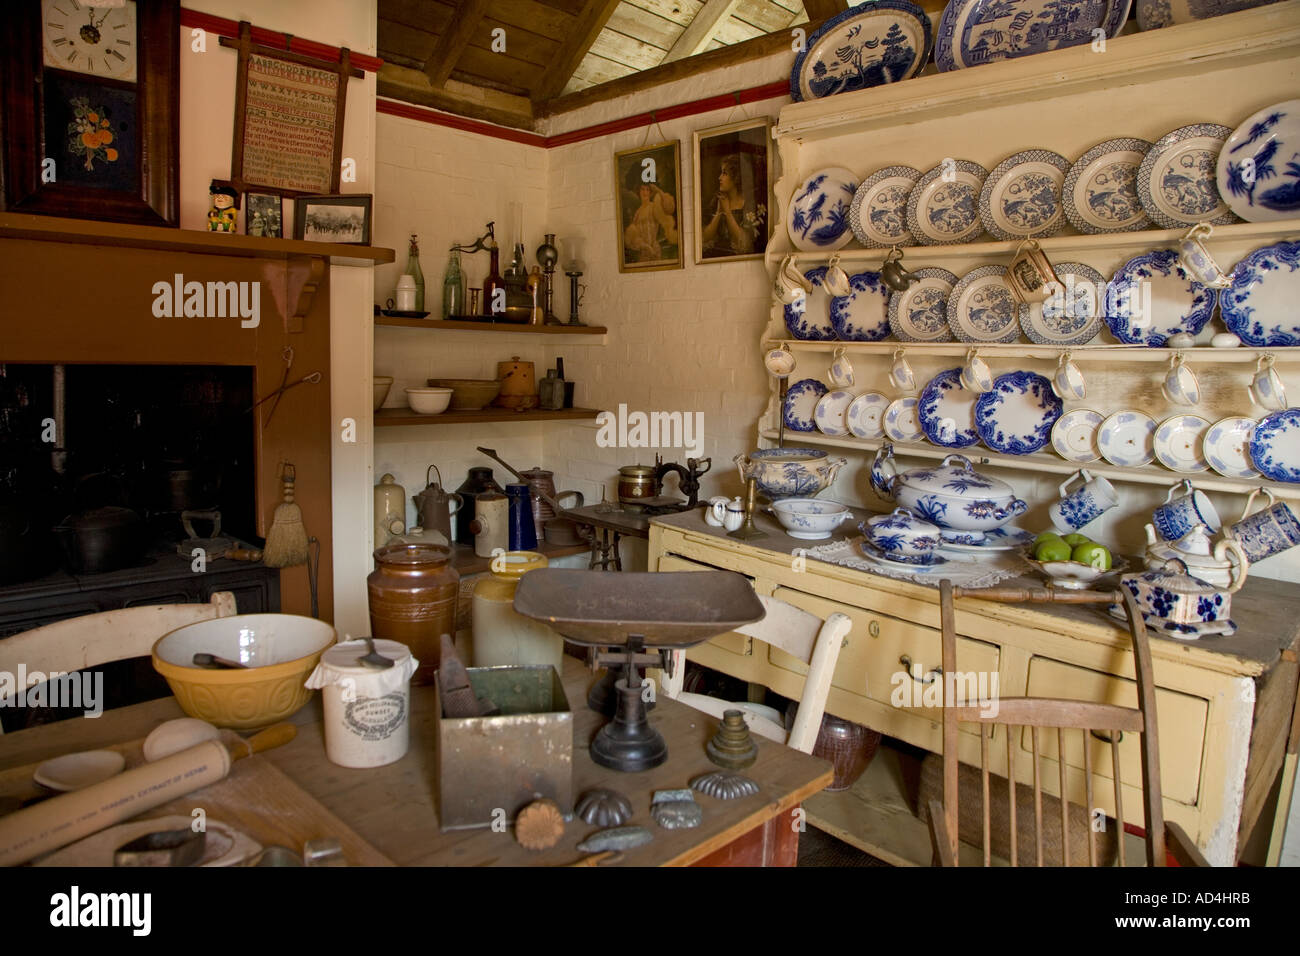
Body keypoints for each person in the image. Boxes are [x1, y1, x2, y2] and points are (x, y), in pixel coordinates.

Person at [701, 155, 763, 258]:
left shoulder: (749, 204)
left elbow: (744, 244)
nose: (719, 178)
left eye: (724, 173)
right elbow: (705, 238)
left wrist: (728, 213)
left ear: (736, 178)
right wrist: (719, 212)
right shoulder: (717, 201)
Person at [623, 179, 678, 263]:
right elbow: (634, 237)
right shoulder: (637, 213)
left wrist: (659, 191)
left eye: (647, 190)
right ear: (639, 191)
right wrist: (645, 246)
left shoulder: (654, 207)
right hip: (643, 252)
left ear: (650, 192)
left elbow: (669, 208)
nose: (645, 192)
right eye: (642, 189)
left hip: (655, 250)